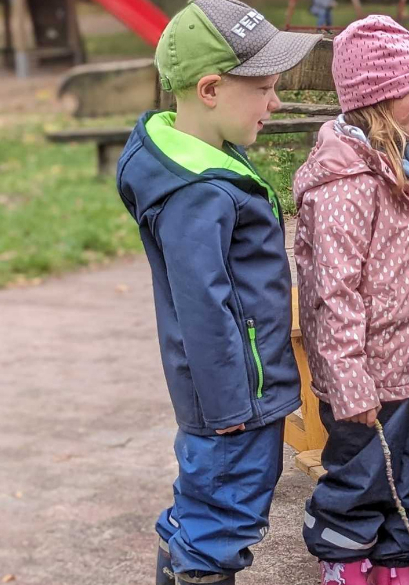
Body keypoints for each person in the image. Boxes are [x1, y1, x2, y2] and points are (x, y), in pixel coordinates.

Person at [114, 1, 320, 583]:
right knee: (226, 520)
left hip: (236, 390)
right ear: (210, 89)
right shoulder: (197, 194)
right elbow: (201, 308)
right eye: (264, 90)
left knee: (203, 507)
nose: (275, 104)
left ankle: (182, 560)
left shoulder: (207, 160)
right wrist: (231, 406)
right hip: (236, 399)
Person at [294, 16, 409, 585]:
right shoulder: (344, 184)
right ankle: (342, 560)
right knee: (360, 474)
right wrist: (349, 380)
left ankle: (394, 561)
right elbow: (331, 291)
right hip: (369, 370)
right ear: (376, 99)